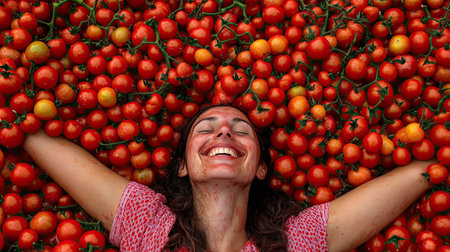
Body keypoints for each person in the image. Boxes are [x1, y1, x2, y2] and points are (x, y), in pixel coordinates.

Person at [23, 105, 434, 252]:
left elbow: (423, 172)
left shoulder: (296, 242)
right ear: (182, 165)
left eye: (240, 128)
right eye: (207, 127)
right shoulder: (148, 225)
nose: (223, 132)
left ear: (259, 167)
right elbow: (26, 129)